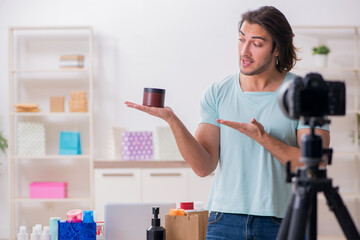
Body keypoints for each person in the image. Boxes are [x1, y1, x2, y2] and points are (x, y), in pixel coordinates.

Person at [125, 5, 330, 240]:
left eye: (257, 43)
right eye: (242, 39)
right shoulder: (218, 92)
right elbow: (203, 166)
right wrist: (172, 121)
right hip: (225, 220)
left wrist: (263, 139)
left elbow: (315, 166)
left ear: (277, 49)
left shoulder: (303, 93)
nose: (245, 51)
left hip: (283, 220)